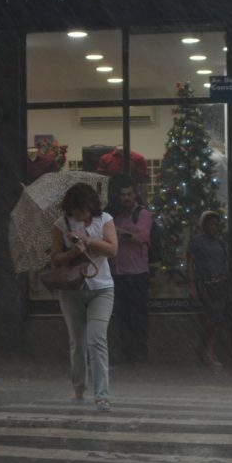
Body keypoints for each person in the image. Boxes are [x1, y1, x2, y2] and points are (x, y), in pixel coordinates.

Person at [50, 183, 118, 411]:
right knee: (77, 342)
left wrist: (87, 240)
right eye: (79, 211)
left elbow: (112, 249)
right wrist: (73, 251)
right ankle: (79, 387)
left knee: (97, 339)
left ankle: (102, 394)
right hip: (72, 290)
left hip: (102, 288)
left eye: (87, 210)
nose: (83, 215)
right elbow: (56, 259)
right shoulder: (61, 225)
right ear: (71, 209)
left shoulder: (105, 219)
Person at [109, 176, 152, 364]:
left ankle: (139, 351)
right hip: (118, 273)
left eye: (129, 194)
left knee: (138, 314)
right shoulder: (115, 216)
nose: (125, 198)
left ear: (135, 195)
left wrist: (121, 232)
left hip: (137, 274)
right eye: (122, 195)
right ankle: (126, 351)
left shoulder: (142, 214)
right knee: (122, 315)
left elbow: (141, 238)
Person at [187, 210, 228, 367]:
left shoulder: (220, 243)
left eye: (216, 224)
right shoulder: (196, 242)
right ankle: (204, 349)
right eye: (211, 224)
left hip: (219, 284)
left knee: (216, 319)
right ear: (204, 225)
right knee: (211, 319)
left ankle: (208, 350)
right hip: (204, 284)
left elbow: (223, 262)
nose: (214, 227)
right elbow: (190, 264)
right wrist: (192, 286)